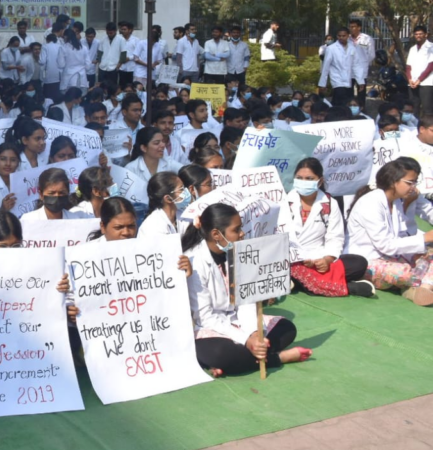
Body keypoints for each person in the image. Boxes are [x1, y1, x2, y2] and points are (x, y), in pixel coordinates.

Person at [184, 203, 311, 376]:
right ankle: (278, 358)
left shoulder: (241, 252)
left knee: (286, 329)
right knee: (220, 353)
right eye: (236, 230)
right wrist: (246, 340)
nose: (242, 233)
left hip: (238, 321)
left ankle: (236, 362)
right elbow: (206, 317)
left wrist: (254, 334)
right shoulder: (194, 261)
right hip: (210, 328)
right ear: (216, 234)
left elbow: (247, 300)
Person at [346, 157, 433, 306]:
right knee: (405, 273)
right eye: (409, 183)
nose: (414, 187)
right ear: (393, 181)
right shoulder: (371, 202)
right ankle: (418, 285)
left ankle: (423, 288)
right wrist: (425, 238)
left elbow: (402, 236)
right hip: (368, 261)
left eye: (415, 182)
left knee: (428, 256)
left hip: (393, 257)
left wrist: (417, 252)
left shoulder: (396, 200)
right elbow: (386, 245)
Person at [286, 158, 373, 298]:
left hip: (317, 259)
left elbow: (335, 237)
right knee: (283, 266)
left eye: (309, 179)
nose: (303, 182)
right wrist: (296, 257)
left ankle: (297, 282)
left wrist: (326, 260)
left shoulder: (330, 204)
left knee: (359, 263)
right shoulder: (283, 201)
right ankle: (347, 287)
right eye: (299, 178)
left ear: (320, 181)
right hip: (289, 259)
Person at [19, 167, 80, 232]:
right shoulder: (28, 220)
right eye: (52, 193)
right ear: (41, 194)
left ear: (68, 193)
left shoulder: (75, 220)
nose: (57, 196)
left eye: (61, 193)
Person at [319, 27, 362, 106]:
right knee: (340, 100)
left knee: (348, 102)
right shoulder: (331, 49)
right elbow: (326, 67)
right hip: (337, 80)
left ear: (348, 36)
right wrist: (322, 84)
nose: (341, 38)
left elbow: (356, 65)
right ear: (337, 36)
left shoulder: (352, 48)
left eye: (343, 36)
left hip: (348, 80)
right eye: (339, 36)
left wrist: (360, 81)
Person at [140, 172, 190, 237]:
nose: (186, 191)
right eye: (181, 189)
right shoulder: (153, 226)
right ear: (168, 198)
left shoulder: (184, 214)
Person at [406, 25, 433, 117]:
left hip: (427, 83)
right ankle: (415, 125)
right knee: (413, 109)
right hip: (412, 83)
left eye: (421, 34)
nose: (418, 36)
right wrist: (409, 79)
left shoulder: (431, 47)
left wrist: (419, 80)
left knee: (427, 110)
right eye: (416, 34)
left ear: (426, 35)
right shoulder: (412, 49)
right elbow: (408, 66)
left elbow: (430, 66)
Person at [348, 18, 375, 103]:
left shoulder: (367, 39)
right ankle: (349, 109)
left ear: (359, 27)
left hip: (361, 70)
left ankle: (361, 108)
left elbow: (371, 55)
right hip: (349, 70)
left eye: (353, 27)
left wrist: (363, 63)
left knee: (361, 92)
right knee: (349, 93)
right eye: (350, 27)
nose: (351, 29)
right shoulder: (347, 39)